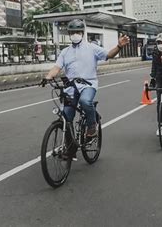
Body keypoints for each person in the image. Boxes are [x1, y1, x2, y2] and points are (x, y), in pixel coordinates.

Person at [42, 19, 130, 158]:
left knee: (85, 102)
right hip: (71, 88)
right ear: (69, 34)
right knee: (66, 117)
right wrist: (48, 77)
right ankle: (70, 149)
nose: (75, 34)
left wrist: (119, 46)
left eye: (77, 32)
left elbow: (108, 55)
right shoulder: (65, 52)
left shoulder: (92, 48)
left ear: (82, 33)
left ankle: (91, 127)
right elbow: (56, 68)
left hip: (88, 85)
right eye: (72, 32)